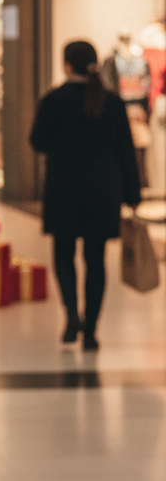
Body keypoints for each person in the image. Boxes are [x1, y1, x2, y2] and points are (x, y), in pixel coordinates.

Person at [31, 40, 142, 350]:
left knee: (63, 254)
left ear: (67, 65)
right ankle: (91, 329)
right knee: (95, 259)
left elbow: (38, 141)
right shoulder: (112, 102)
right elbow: (126, 153)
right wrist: (132, 194)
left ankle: (71, 316)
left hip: (64, 189)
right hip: (103, 191)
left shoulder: (53, 100)